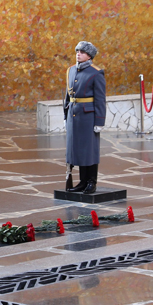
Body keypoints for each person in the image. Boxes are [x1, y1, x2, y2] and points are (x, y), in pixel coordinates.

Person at [63, 41, 106, 194]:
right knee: (79, 149)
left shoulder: (96, 73)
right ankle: (82, 181)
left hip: (88, 117)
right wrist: (65, 115)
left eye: (82, 52)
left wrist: (99, 121)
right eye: (77, 51)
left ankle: (91, 182)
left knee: (89, 150)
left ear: (89, 56)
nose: (78, 54)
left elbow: (100, 99)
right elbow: (68, 95)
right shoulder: (71, 70)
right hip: (74, 115)